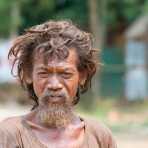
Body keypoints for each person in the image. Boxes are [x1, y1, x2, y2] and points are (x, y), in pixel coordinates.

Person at [0, 20, 117, 148]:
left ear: (82, 76)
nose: (54, 85)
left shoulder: (100, 137)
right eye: (44, 73)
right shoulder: (9, 134)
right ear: (28, 74)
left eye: (65, 74)